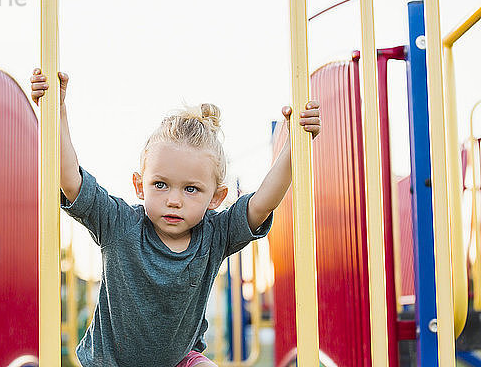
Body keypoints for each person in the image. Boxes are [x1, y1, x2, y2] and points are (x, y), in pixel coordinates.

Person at [29, 68, 320, 367]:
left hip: (179, 361)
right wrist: (57, 110)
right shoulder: (119, 224)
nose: (173, 200)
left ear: (216, 198)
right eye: (160, 184)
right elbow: (70, 179)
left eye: (191, 189)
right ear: (140, 185)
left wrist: (293, 145)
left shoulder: (214, 235)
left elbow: (262, 204)